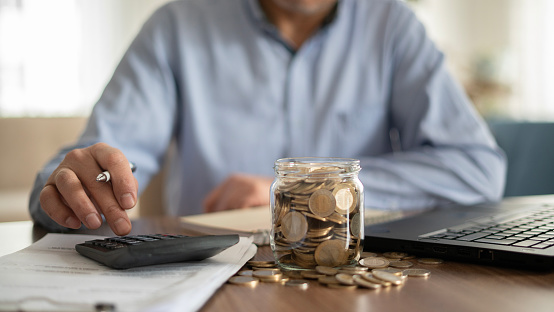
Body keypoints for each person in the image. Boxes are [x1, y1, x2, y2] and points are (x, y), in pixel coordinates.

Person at [29, 0, 507, 236]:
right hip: (214, 281)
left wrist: (308, 190)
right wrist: (69, 187)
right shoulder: (176, 27)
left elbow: (478, 168)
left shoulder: (392, 25)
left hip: (359, 277)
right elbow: (98, 165)